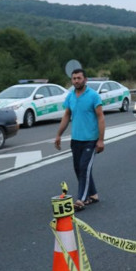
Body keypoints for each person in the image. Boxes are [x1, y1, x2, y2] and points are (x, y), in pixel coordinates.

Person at [55, 68, 105, 210]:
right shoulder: (70, 96)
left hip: (90, 139)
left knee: (84, 167)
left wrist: (101, 140)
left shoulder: (93, 96)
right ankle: (93, 194)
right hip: (76, 139)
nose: (76, 81)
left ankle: (81, 199)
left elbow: (101, 117)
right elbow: (66, 115)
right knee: (79, 168)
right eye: (74, 78)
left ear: (85, 79)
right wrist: (59, 134)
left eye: (79, 78)